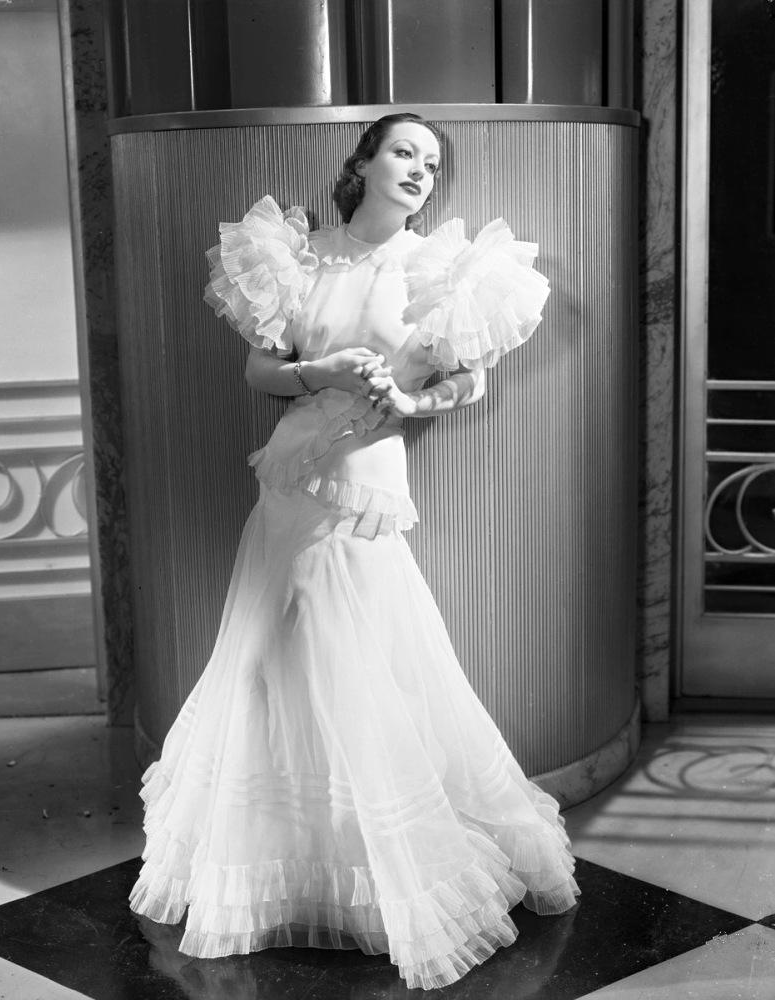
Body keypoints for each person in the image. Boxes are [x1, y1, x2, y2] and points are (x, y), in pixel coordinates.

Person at [129, 112, 579, 991]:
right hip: (287, 485)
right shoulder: (300, 255)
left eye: (431, 162)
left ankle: (381, 868)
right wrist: (323, 374)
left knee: (339, 655)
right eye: (403, 152)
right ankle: (291, 856)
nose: (419, 169)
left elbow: (470, 375)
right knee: (272, 658)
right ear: (364, 162)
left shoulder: (444, 268)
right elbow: (262, 370)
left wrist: (413, 407)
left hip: (363, 489)